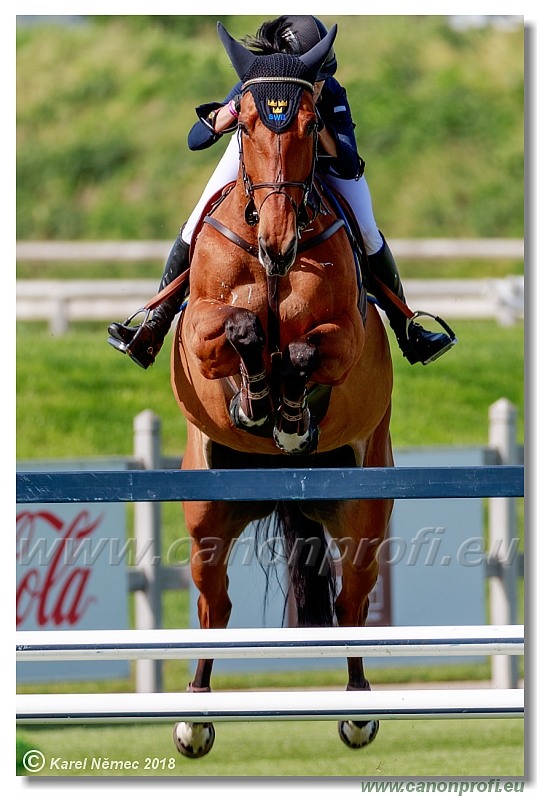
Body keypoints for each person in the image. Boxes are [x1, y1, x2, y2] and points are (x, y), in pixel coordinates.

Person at [108, 15, 456, 369]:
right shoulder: (257, 82)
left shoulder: (331, 92)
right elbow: (195, 140)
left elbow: (349, 163)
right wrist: (230, 112)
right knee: (196, 220)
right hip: (261, 166)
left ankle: (407, 329)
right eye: (315, 78)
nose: (320, 84)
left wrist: (311, 121)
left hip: (325, 168)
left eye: (322, 78)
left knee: (367, 231)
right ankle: (153, 325)